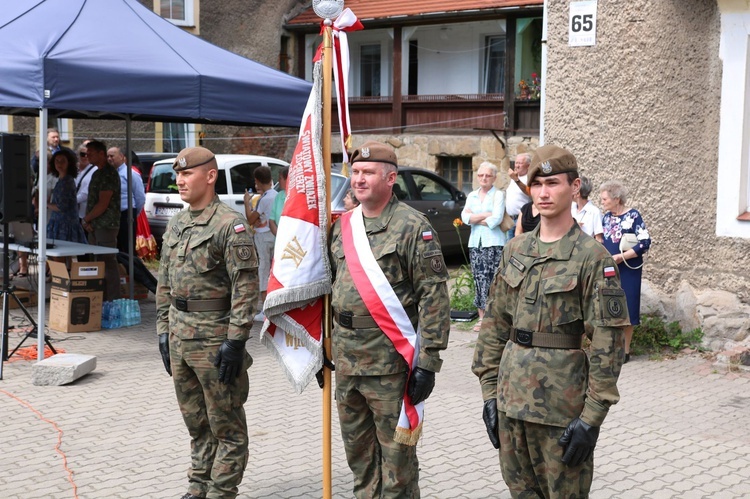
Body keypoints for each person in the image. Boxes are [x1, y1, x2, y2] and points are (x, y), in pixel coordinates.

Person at [473, 144, 629, 498]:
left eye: (553, 183)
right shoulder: (516, 249)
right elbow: (495, 323)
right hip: (511, 398)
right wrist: (488, 393)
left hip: (561, 406)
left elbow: (609, 343)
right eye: (537, 184)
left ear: (574, 188)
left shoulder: (592, 258)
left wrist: (591, 418)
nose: (543, 193)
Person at [329, 140, 450, 498]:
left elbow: (434, 298)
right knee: (360, 461)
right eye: (355, 172)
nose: (359, 179)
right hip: (348, 362)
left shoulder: (414, 227)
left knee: (397, 466)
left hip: (390, 365)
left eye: (368, 172)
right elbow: (333, 287)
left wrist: (427, 363)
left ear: (391, 178)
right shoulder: (343, 226)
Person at [156, 146, 258, 499]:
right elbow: (164, 283)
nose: (180, 181)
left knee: (226, 426)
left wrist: (235, 341)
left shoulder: (230, 225)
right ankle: (198, 487)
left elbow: (246, 288)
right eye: (178, 175)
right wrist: (162, 332)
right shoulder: (178, 223)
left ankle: (221, 492)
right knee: (197, 424)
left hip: (214, 342)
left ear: (210, 176)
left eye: (187, 174)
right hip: (181, 336)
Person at [600, 180, 652, 363]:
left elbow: (645, 242)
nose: (603, 202)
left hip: (628, 269)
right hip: (609, 267)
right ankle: (612, 348)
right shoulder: (606, 217)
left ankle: (626, 351)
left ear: (616, 198)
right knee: (610, 307)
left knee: (628, 308)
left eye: (605, 199)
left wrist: (622, 257)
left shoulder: (633, 216)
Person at [460, 161, 507, 333]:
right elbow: (465, 218)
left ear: (494, 177)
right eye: (481, 175)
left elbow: (496, 220)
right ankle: (481, 318)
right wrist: (485, 215)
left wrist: (475, 218)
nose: (484, 178)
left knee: (493, 280)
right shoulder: (472, 195)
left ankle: (494, 318)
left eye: (488, 175)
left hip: (493, 243)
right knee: (479, 280)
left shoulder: (498, 195)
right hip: (476, 243)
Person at [82, 140, 121, 301]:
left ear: (101, 154)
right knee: (97, 263)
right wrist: (89, 221)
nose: (87, 155)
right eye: (86, 152)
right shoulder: (97, 173)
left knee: (107, 262)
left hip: (106, 224)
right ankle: (100, 299)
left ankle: (112, 300)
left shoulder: (108, 173)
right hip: (96, 224)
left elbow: (103, 203)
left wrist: (86, 219)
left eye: (90, 152)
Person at [243, 166, 276, 322]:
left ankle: (265, 310)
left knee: (263, 272)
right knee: (273, 270)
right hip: (274, 235)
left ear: (257, 181)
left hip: (262, 237)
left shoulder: (264, 199)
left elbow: (250, 219)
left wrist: (247, 203)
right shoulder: (276, 195)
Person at [108, 146, 146, 253]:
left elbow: (140, 197)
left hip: (126, 215)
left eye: (112, 156)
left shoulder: (131, 174)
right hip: (112, 216)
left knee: (127, 248)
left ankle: (130, 269)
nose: (109, 159)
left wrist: (132, 213)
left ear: (121, 157)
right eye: (108, 156)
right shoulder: (109, 174)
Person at [46, 148, 88, 244]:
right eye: (57, 161)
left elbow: (62, 206)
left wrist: (46, 204)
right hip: (59, 223)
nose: (59, 164)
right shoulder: (61, 180)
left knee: (61, 255)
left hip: (64, 225)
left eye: (63, 161)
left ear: (69, 163)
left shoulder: (67, 181)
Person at [504, 153, 532, 241]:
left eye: (520, 163)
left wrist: (516, 180)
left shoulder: (529, 178)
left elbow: (529, 192)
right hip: (510, 220)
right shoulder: (515, 177)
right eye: (516, 163)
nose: (517, 165)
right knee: (510, 249)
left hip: (522, 220)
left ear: (528, 166)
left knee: (520, 248)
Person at [572, 176, 604, 242]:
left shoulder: (594, 212)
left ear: (578, 194)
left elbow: (599, 239)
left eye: (572, 190)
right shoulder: (570, 208)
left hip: (586, 249)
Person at [75, 141, 96, 222]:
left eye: (88, 154)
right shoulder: (75, 170)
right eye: (82, 154)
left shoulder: (94, 170)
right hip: (75, 212)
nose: (85, 157)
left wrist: (71, 201)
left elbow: (87, 192)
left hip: (86, 212)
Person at [268, 166, 288, 236]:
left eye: (280, 178)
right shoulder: (279, 196)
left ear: (288, 179)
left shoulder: (298, 197)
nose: (278, 181)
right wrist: (279, 237)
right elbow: (271, 220)